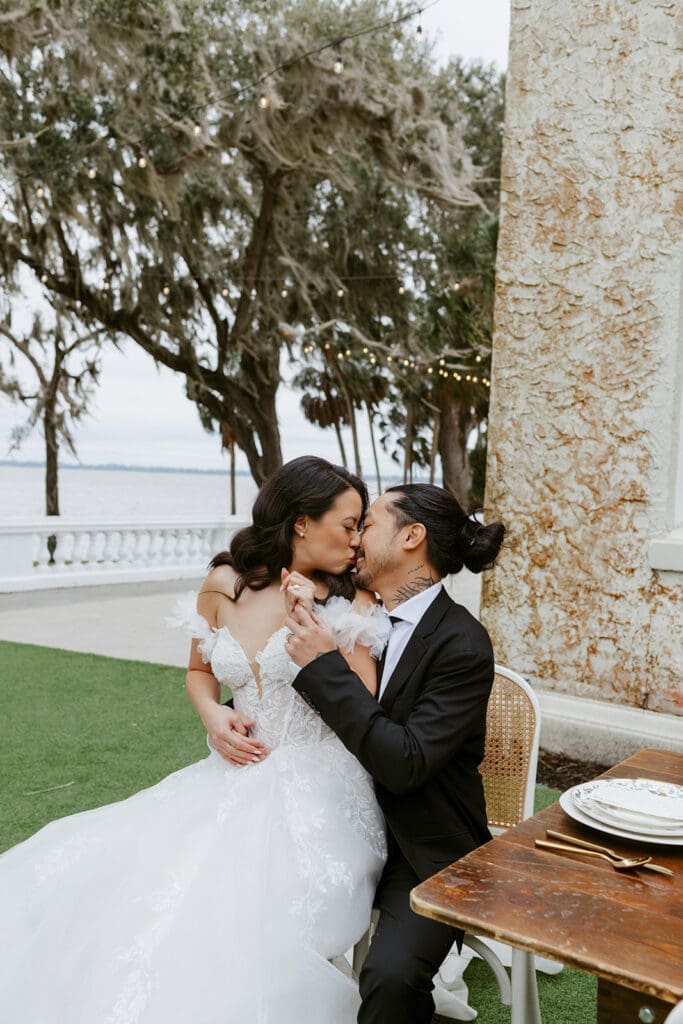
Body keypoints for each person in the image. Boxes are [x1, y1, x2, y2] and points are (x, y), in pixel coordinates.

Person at [0, 456, 391, 1024]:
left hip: (320, 783)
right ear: (302, 522)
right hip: (231, 771)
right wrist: (213, 715)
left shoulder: (352, 602)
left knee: (244, 904)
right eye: (349, 524)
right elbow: (200, 672)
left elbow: (362, 708)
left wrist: (315, 627)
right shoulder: (223, 585)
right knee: (129, 875)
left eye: (361, 527)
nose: (358, 541)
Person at [282, 483, 505, 1024]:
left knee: (391, 976)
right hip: (335, 821)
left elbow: (405, 762)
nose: (356, 539)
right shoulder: (355, 614)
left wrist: (323, 666)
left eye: (370, 523)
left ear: (412, 536)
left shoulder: (462, 644)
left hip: (420, 846)